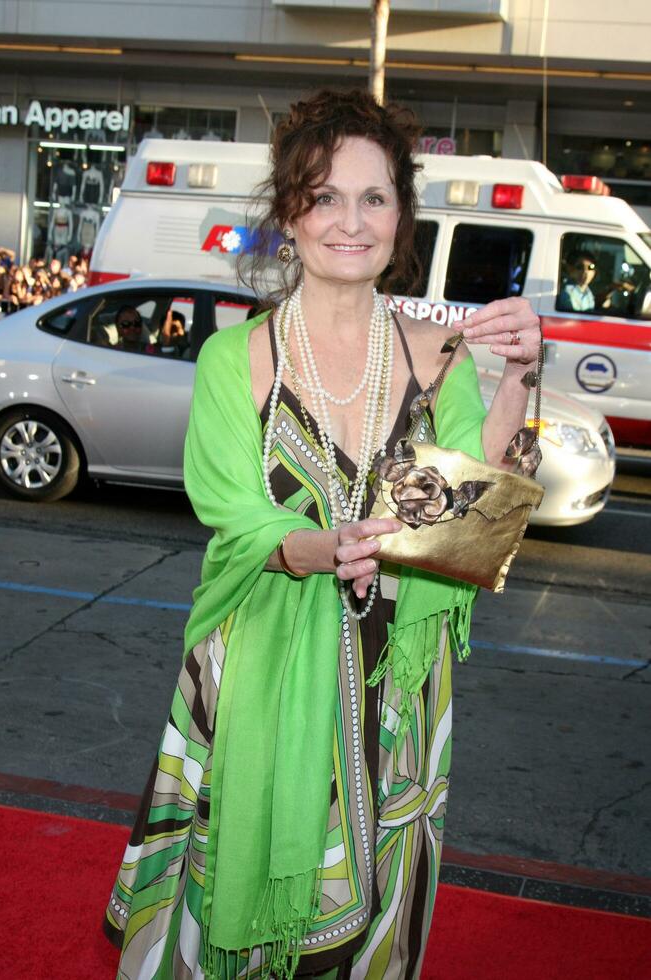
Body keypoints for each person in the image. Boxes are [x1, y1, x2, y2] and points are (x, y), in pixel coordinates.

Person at [105, 88, 541, 979]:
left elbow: (469, 523)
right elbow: (236, 515)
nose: (351, 220)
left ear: (401, 218)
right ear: (289, 215)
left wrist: (517, 383)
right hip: (262, 677)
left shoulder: (438, 353)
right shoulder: (238, 358)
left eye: (374, 197)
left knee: (375, 918)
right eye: (325, 196)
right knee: (245, 907)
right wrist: (313, 547)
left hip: (401, 697)